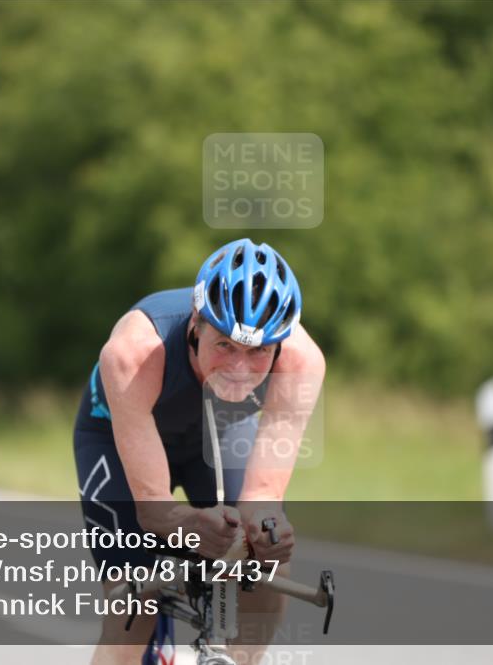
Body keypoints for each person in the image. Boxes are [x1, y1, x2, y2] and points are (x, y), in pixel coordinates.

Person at [73, 238, 325, 665]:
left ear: (279, 345)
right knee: (134, 606)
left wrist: (268, 531)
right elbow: (154, 511)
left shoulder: (302, 364)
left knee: (266, 570)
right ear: (196, 323)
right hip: (114, 436)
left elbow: (263, 494)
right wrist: (189, 522)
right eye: (224, 345)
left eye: (258, 351)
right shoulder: (134, 352)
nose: (239, 368)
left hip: (217, 432)